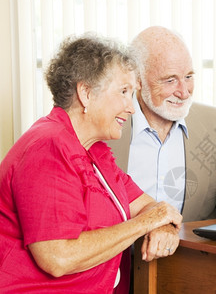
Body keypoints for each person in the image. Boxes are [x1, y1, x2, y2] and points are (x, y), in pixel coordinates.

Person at [0, 34, 182, 293]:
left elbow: (147, 206)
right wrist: (148, 223)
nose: (131, 108)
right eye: (123, 92)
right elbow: (57, 258)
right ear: (85, 93)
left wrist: (162, 225)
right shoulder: (48, 147)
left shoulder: (93, 151)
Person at [108, 26, 216, 222]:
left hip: (189, 251)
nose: (184, 92)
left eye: (188, 77)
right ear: (138, 80)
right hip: (120, 251)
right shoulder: (104, 126)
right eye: (170, 80)